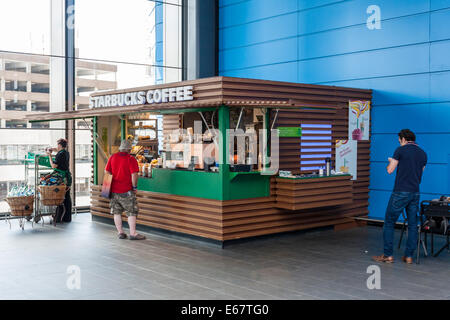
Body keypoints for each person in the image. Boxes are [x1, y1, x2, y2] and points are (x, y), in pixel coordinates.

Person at [373, 129, 427, 264]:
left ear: (403, 139)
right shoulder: (423, 154)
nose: (399, 142)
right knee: (413, 225)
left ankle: (388, 255)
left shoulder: (400, 150)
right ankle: (409, 256)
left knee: (389, 222)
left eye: (399, 140)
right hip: (415, 192)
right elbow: (419, 174)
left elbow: (390, 170)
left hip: (400, 192)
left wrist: (391, 161)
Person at [104, 139, 146, 240]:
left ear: (120, 149)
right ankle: (133, 233)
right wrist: (134, 187)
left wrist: (107, 187)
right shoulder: (131, 159)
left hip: (113, 190)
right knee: (131, 211)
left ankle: (121, 233)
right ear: (129, 149)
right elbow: (134, 175)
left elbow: (107, 172)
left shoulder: (112, 157)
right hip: (126, 190)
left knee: (116, 212)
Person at [47, 138, 72, 223]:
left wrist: (49, 156)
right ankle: (67, 217)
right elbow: (57, 150)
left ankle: (59, 216)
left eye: (57, 145)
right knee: (67, 197)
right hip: (67, 178)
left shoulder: (59, 155)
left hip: (60, 178)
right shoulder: (66, 153)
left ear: (60, 145)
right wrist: (51, 149)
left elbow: (53, 166)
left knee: (60, 197)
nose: (56, 146)